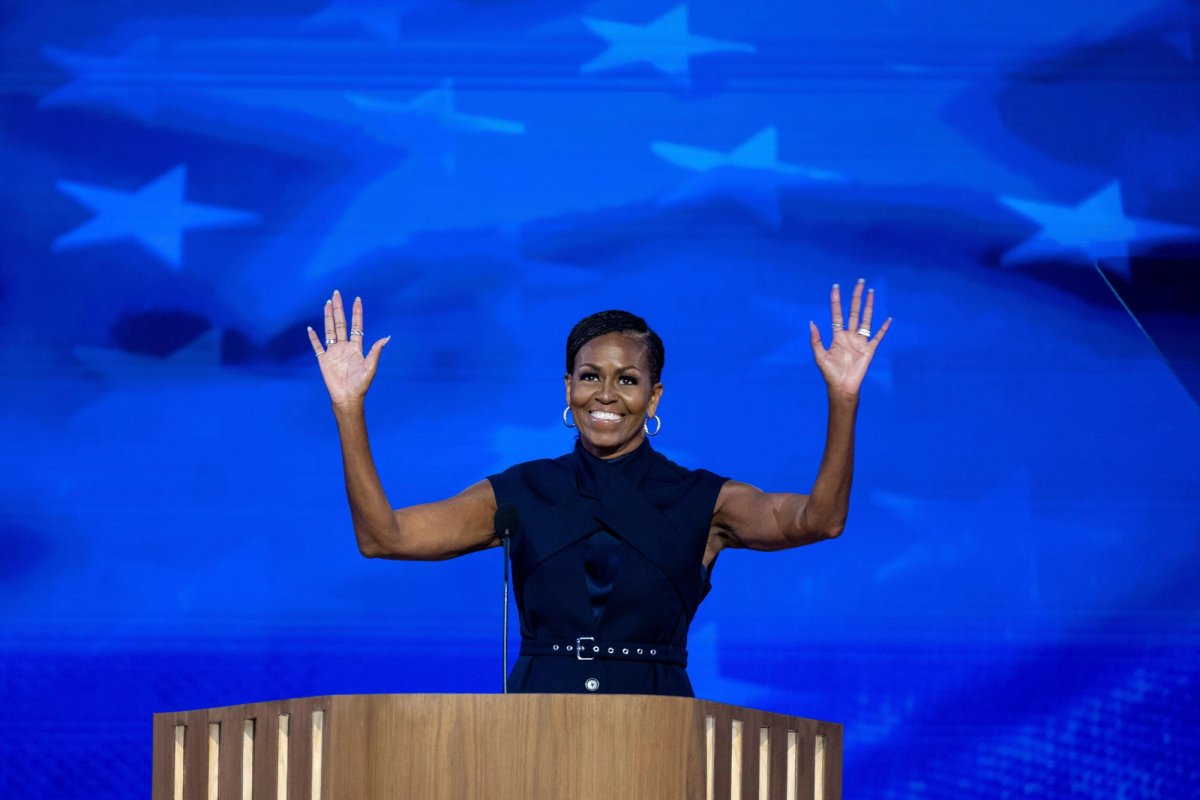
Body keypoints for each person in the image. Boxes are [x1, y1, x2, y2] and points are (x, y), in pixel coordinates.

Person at [307, 282, 890, 696]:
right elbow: (383, 538)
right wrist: (347, 408)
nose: (605, 394)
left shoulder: (704, 502)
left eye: (627, 380)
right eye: (590, 377)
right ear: (568, 387)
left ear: (654, 396)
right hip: (538, 728)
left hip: (655, 728)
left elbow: (820, 520)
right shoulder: (521, 492)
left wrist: (843, 398)